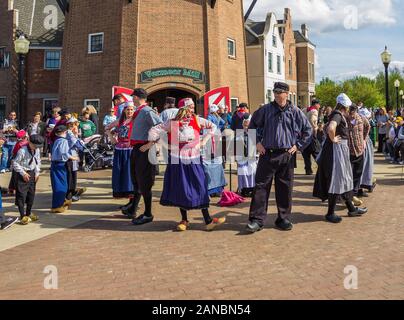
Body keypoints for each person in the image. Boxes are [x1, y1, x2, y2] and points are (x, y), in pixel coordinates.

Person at [147, 98, 226, 231]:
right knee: (181, 188)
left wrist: (204, 140)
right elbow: (154, 130)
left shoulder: (196, 120)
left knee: (200, 186)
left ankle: (208, 220)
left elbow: (213, 126)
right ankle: (184, 220)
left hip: (194, 159)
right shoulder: (172, 123)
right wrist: (160, 143)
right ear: (182, 108)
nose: (192, 110)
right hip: (177, 160)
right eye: (190, 107)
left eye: (193, 107)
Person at [246, 82, 312, 233]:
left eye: (280, 92)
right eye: (275, 92)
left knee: (285, 188)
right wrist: (257, 143)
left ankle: (283, 218)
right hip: (267, 154)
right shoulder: (265, 110)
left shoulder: (295, 112)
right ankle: (256, 220)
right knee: (261, 187)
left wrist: (298, 146)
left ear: (287, 94)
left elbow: (308, 130)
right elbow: (252, 127)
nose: (276, 95)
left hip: (286, 155)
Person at [313, 93, 368, 224]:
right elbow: (331, 127)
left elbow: (328, 127)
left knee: (345, 178)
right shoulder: (337, 114)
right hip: (336, 151)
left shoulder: (337, 114)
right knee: (336, 180)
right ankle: (330, 213)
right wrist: (333, 139)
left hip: (339, 150)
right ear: (345, 106)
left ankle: (351, 208)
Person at [127, 88, 162, 225]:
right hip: (137, 149)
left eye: (133, 97)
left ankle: (148, 213)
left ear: (136, 97)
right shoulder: (140, 111)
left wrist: (150, 144)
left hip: (144, 150)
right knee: (137, 181)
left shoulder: (147, 111)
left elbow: (161, 127)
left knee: (145, 182)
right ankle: (133, 209)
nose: (132, 99)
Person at [105, 103, 135, 200]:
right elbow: (107, 127)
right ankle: (120, 191)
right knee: (119, 170)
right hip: (119, 149)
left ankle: (129, 191)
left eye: (131, 109)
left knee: (129, 171)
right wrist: (111, 137)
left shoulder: (135, 121)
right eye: (128, 109)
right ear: (124, 111)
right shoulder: (120, 121)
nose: (129, 111)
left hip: (130, 149)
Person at [12, 134, 44, 225]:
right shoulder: (22, 150)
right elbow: (15, 163)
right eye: (34, 145)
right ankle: (23, 216)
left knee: (31, 195)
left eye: (38, 146)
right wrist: (23, 173)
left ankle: (28, 213)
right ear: (29, 142)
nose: (36, 148)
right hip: (23, 173)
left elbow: (38, 161)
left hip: (32, 173)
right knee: (21, 195)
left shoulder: (36, 150)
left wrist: (37, 173)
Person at [50, 125, 77, 213]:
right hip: (60, 164)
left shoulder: (57, 140)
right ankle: (57, 206)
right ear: (64, 132)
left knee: (59, 185)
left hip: (55, 164)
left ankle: (60, 203)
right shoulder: (63, 141)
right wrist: (72, 157)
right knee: (61, 186)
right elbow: (63, 152)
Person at [203, 103, 227, 197]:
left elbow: (207, 127)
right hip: (217, 137)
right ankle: (217, 188)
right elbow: (223, 123)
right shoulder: (217, 117)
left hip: (211, 138)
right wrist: (219, 129)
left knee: (211, 162)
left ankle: (212, 188)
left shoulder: (209, 117)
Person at [347, 104, 370, 202]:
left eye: (353, 112)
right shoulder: (344, 119)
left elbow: (367, 127)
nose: (352, 115)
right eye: (350, 113)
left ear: (356, 111)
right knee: (349, 175)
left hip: (359, 150)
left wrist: (364, 139)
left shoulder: (361, 118)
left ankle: (354, 194)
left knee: (358, 173)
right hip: (348, 152)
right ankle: (349, 196)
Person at [236, 114, 257, 197]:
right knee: (243, 170)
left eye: (247, 121)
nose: (245, 122)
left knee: (252, 170)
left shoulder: (254, 131)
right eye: (244, 121)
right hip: (242, 157)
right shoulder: (239, 132)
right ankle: (244, 189)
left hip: (252, 156)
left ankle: (252, 189)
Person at [359, 108, 377, 194]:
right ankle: (364, 186)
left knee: (366, 165)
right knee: (364, 166)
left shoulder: (360, 121)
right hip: (363, 144)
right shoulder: (362, 121)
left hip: (364, 144)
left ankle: (366, 185)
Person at [302, 99, 321, 175]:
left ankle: (308, 169)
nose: (319, 106)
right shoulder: (314, 111)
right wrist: (315, 129)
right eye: (319, 104)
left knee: (306, 154)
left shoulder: (304, 110)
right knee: (316, 152)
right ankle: (322, 169)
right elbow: (313, 120)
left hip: (303, 134)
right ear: (315, 104)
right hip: (311, 134)